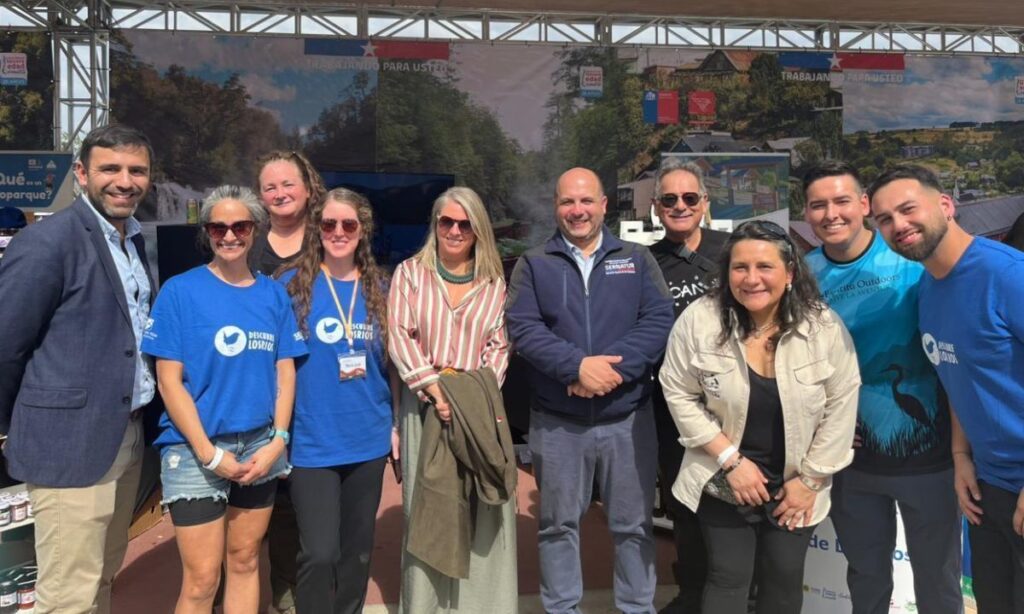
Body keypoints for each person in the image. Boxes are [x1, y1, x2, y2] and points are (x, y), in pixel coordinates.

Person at [659, 220, 860, 614]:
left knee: (783, 579)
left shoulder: (823, 327)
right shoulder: (700, 320)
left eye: (764, 267)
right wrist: (730, 460)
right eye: (740, 267)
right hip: (723, 477)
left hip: (796, 484)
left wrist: (811, 479)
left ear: (789, 273)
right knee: (727, 577)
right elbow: (678, 391)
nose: (751, 279)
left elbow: (843, 403)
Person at [0, 124, 159, 614]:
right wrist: (11, 426)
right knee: (67, 597)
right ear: (82, 173)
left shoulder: (132, 241)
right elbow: (6, 344)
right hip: (68, 443)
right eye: (110, 168)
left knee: (100, 580)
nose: (124, 180)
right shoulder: (48, 242)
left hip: (126, 437)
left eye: (137, 170)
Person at [505, 167, 674, 614]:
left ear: (603, 205)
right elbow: (522, 326)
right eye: (566, 202)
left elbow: (657, 320)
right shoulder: (534, 262)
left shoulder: (636, 260)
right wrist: (575, 368)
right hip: (558, 423)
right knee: (557, 526)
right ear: (556, 207)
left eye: (585, 201)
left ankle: (637, 608)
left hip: (628, 419)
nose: (576, 210)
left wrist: (609, 372)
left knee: (634, 526)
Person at [802, 161, 962, 614]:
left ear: (864, 206)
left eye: (842, 201)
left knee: (938, 579)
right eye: (818, 205)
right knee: (867, 578)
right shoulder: (803, 277)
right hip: (852, 463)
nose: (831, 214)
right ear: (807, 213)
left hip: (931, 460)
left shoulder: (912, 260)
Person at [142, 186, 307, 613]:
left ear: (255, 231)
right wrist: (210, 454)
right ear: (207, 232)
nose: (229, 235)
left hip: (258, 447)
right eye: (219, 226)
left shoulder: (272, 295)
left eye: (240, 226)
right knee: (201, 579)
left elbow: (284, 374)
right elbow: (169, 382)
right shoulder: (180, 292)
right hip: (195, 451)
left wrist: (278, 441)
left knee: (246, 560)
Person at [869, 165, 1024, 614]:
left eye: (907, 209)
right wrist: (960, 457)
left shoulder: (1007, 275)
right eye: (884, 219)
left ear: (945, 205)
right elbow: (956, 375)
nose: (898, 225)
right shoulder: (929, 289)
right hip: (988, 489)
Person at [387, 186, 514, 613]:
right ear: (435, 225)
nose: (455, 231)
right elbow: (400, 338)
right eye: (447, 222)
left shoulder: (495, 284)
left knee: (482, 510)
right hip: (424, 407)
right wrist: (438, 391)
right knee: (428, 510)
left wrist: (466, 398)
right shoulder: (409, 274)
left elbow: (499, 347)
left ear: (479, 230)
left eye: (465, 224)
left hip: (476, 410)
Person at [279, 188, 397, 614]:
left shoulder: (383, 287)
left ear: (363, 230)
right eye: (328, 224)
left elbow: (395, 366)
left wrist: (398, 424)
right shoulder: (291, 285)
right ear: (317, 229)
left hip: (368, 437)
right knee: (319, 553)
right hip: (311, 440)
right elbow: (275, 365)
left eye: (349, 224)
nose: (338, 232)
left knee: (357, 554)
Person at [649, 158, 730, 614]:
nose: (680, 206)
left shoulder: (734, 249)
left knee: (737, 502)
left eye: (689, 197)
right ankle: (694, 593)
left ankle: (738, 594)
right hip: (673, 409)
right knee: (686, 502)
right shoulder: (645, 262)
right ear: (657, 208)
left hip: (735, 403)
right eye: (670, 199)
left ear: (705, 202)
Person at [254, 149, 326, 614]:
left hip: (318, 395)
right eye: (269, 187)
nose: (280, 193)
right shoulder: (243, 241)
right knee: (261, 509)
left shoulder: (333, 238)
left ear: (308, 187)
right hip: (257, 394)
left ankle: (303, 599)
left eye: (288, 184)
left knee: (307, 514)